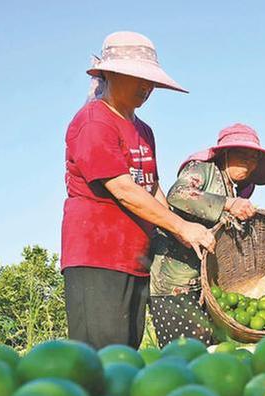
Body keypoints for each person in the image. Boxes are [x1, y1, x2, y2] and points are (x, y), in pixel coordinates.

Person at [61, 31, 215, 350]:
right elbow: (123, 189)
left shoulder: (143, 130)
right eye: (138, 78)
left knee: (125, 356)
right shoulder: (94, 122)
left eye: (151, 82)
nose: (147, 88)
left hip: (134, 257)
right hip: (98, 257)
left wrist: (179, 231)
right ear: (112, 74)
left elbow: (151, 185)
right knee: (101, 357)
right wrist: (182, 227)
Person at [149, 124, 265, 346]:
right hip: (175, 284)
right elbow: (178, 194)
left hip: (206, 287)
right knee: (187, 357)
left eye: (254, 159)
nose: (249, 163)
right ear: (225, 154)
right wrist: (229, 204)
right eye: (243, 155)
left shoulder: (232, 187)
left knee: (210, 357)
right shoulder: (203, 169)